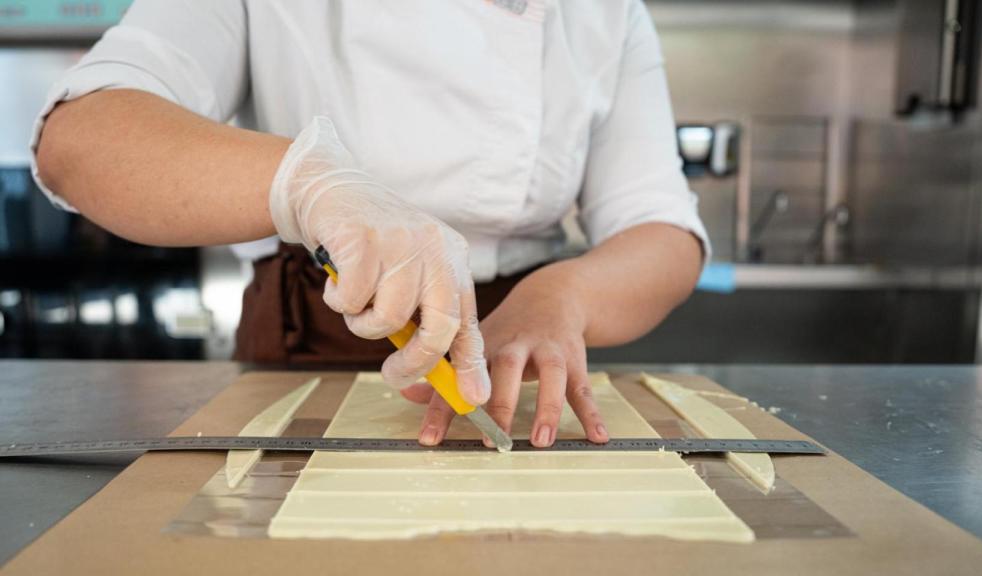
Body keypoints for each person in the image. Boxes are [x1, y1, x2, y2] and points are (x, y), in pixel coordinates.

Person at [32, 0, 709, 449]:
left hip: (524, 369)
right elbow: (80, 140)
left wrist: (566, 298)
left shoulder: (608, 13)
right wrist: (310, 182)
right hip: (312, 346)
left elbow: (662, 228)